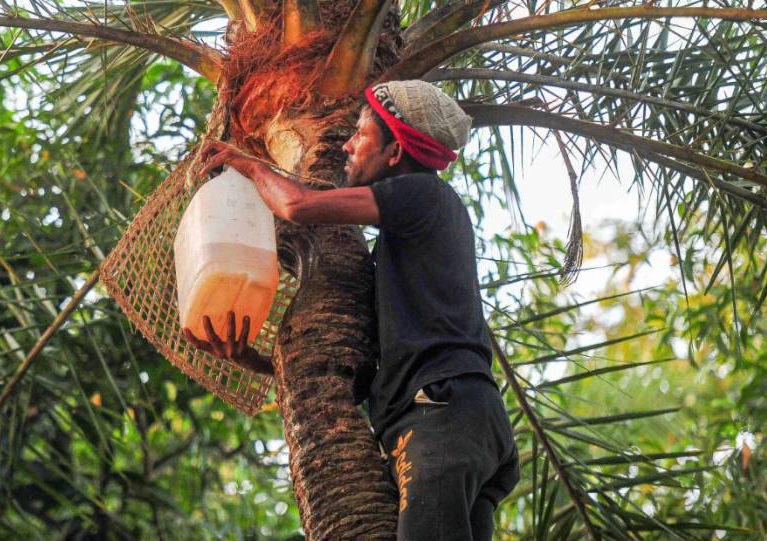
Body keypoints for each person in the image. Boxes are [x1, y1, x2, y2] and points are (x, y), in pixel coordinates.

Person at [183, 80, 519, 540]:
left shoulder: (423, 193)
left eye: (360, 134)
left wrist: (244, 164)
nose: (347, 144)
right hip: (459, 416)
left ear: (396, 154)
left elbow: (298, 206)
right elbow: (347, 377)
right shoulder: (405, 250)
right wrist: (256, 362)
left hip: (439, 408)